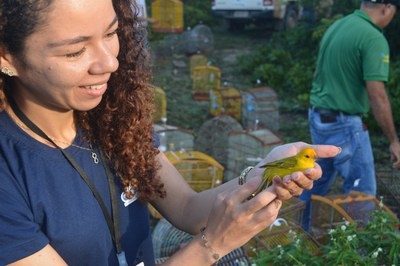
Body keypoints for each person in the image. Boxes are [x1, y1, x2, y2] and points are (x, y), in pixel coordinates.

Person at [0, 0, 340, 265]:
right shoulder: (9, 171)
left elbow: (189, 209)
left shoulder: (112, 119)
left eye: (111, 33)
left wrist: (266, 173)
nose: (109, 63)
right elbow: (206, 235)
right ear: (7, 57)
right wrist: (213, 246)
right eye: (75, 51)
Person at [300, 0, 400, 231]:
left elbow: (319, 72)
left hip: (318, 117)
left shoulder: (339, 25)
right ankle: (360, 254)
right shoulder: (373, 37)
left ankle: (295, 234)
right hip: (344, 124)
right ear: (387, 8)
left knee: (315, 181)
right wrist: (394, 141)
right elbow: (377, 94)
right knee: (362, 192)